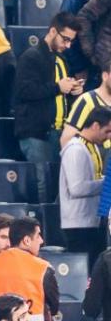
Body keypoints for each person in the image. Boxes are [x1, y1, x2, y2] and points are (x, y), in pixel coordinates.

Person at [14, 13, 83, 202]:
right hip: (37, 133)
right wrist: (58, 87)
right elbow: (24, 91)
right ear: (53, 31)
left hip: (59, 133)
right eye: (65, 39)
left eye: (71, 42)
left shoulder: (62, 60)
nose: (67, 45)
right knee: (44, 184)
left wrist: (73, 91)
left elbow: (60, 94)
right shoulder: (31, 57)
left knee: (58, 184)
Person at [0, 218, 59, 321]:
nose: (41, 241)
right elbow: (54, 308)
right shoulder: (43, 268)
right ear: (27, 240)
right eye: (38, 236)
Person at [60, 105, 110, 256]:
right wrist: (106, 183)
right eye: (107, 131)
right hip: (79, 226)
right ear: (95, 126)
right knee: (86, 273)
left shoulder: (90, 147)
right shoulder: (76, 149)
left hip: (91, 222)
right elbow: (77, 188)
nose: (109, 136)